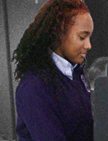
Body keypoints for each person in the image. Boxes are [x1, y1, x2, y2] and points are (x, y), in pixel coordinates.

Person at [12, 0, 94, 140]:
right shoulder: (34, 87)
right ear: (59, 34)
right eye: (82, 37)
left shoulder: (74, 74)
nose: (88, 45)